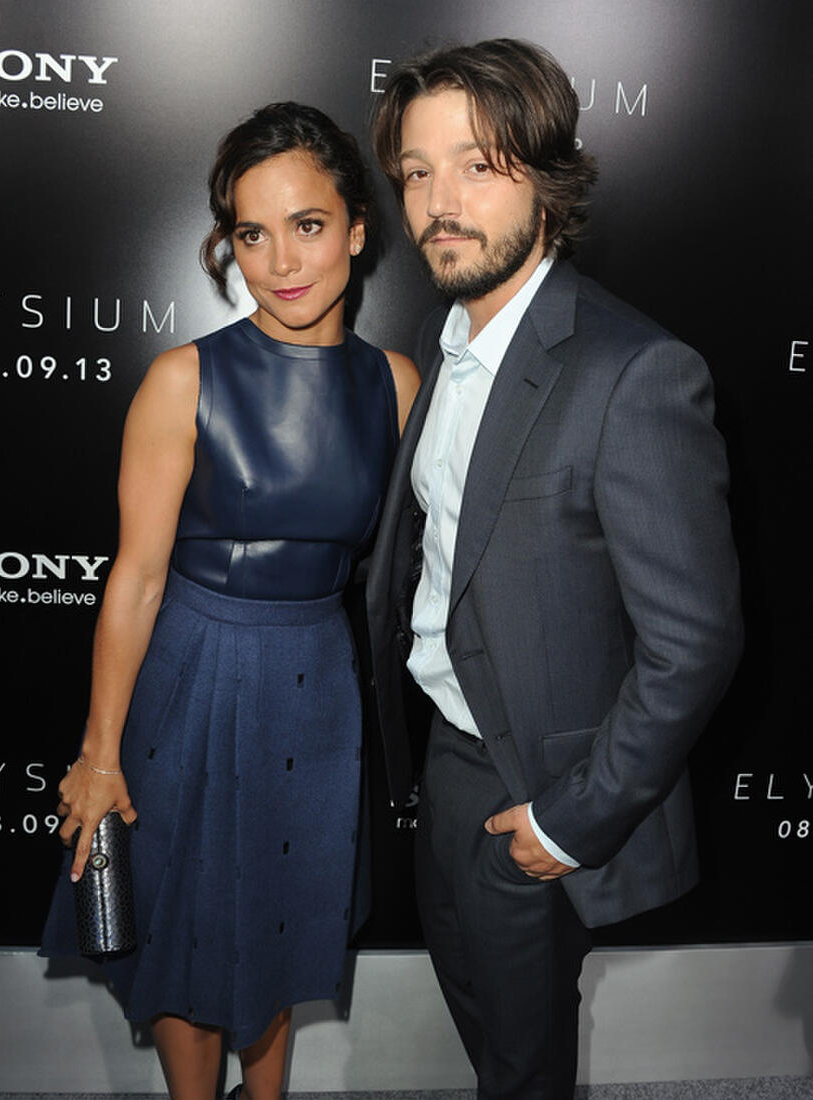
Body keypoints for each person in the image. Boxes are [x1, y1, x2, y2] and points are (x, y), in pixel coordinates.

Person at [367, 38, 743, 1099]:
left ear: (548, 179)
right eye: (417, 172)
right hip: (447, 761)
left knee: (525, 1070)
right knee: (485, 1037)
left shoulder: (635, 371)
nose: (440, 203)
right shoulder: (443, 341)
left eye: (477, 166)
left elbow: (693, 644)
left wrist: (569, 820)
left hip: (538, 793)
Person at [40, 101, 419, 1100]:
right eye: (253, 234)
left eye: (308, 224)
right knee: (192, 920)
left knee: (281, 909)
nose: (280, 261)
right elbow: (136, 576)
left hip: (317, 679)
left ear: (356, 230)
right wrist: (100, 753)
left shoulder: (396, 384)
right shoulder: (183, 379)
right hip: (196, 672)